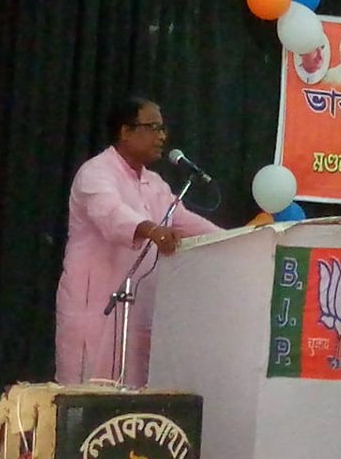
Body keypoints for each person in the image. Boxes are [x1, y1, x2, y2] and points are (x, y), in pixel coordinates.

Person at [54, 95, 221, 387]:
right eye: (153, 127)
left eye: (163, 128)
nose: (162, 136)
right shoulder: (96, 172)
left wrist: (234, 239)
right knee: (86, 395)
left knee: (133, 397)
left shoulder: (154, 184)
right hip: (95, 307)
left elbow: (186, 222)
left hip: (137, 311)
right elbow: (109, 212)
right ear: (125, 132)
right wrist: (151, 230)